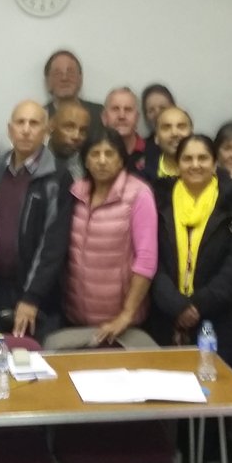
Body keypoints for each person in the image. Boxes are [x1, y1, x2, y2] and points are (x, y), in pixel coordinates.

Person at [45, 129, 158, 350]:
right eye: (95, 154)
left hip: (122, 324)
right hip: (75, 318)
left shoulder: (138, 194)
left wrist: (126, 315)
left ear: (121, 160)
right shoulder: (75, 192)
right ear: (85, 161)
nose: (102, 161)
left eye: (109, 154)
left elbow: (146, 259)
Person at [150, 134, 232, 373]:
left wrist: (197, 306)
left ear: (215, 163)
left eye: (203, 158)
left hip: (219, 317)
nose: (195, 165)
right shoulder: (158, 200)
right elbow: (151, 259)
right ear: (177, 164)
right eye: (187, 159)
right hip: (166, 315)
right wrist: (177, 305)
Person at [0, 101, 72, 341]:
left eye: (34, 123)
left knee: (33, 357)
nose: (26, 129)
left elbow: (53, 243)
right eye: (20, 122)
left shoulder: (57, 176)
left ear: (46, 130)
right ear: (10, 129)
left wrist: (32, 297)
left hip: (38, 297)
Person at [42, 50, 104, 121]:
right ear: (48, 81)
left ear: (80, 79)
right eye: (58, 74)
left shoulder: (99, 114)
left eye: (70, 72)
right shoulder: (40, 117)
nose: (64, 78)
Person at [141, 106, 193, 181]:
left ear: (191, 134)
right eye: (166, 128)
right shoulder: (143, 177)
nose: (174, 133)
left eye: (181, 127)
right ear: (156, 137)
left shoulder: (207, 173)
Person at [102, 87, 146, 172]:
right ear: (104, 117)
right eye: (115, 109)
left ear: (137, 118)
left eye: (128, 109)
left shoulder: (154, 153)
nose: (121, 116)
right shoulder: (93, 154)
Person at [48, 100, 91, 181]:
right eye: (69, 127)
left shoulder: (89, 165)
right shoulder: (34, 158)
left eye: (82, 131)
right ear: (51, 125)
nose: (76, 136)